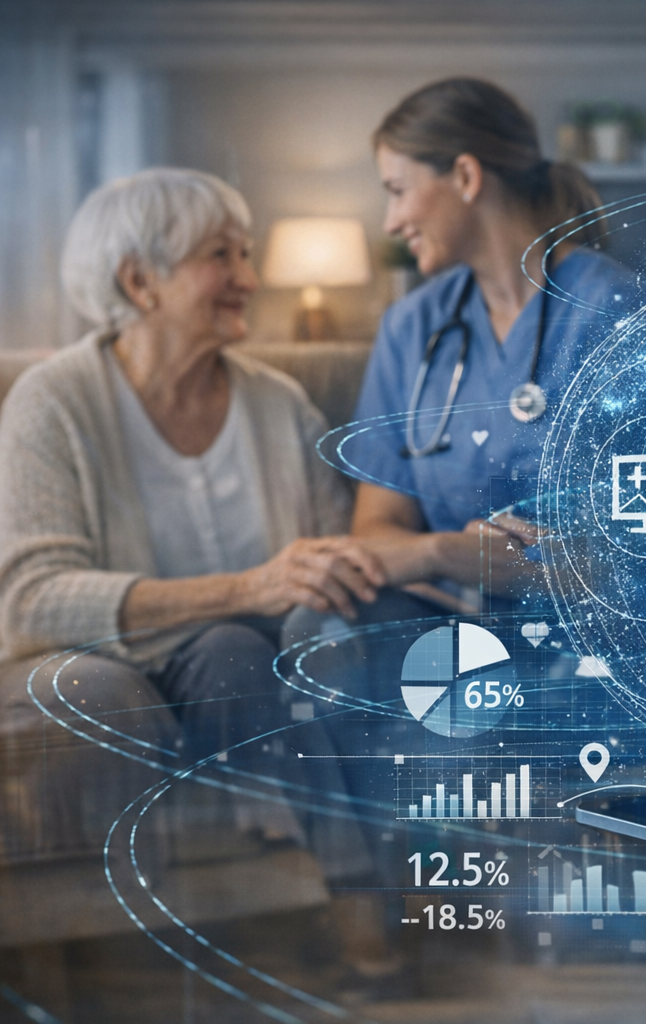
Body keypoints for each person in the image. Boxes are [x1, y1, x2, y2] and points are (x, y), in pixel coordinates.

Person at [0, 166, 378, 872]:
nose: (250, 276)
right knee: (229, 645)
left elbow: (332, 554)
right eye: (220, 256)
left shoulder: (280, 403)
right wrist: (244, 590)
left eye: (245, 252)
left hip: (248, 663)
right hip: (126, 661)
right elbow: (33, 598)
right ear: (140, 282)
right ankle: (325, 888)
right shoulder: (52, 402)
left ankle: (293, 887)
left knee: (254, 649)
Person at [342, 76, 637, 614]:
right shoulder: (412, 328)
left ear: (465, 175)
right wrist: (448, 554)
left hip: (597, 639)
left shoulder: (618, 313)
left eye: (397, 190)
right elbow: (375, 531)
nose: (391, 222)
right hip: (446, 629)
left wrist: (519, 570)